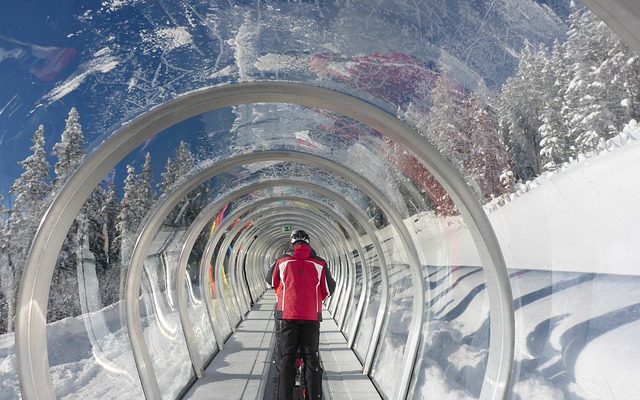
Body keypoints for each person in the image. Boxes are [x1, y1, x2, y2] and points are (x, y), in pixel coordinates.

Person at [266, 229, 336, 400]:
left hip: (287, 315)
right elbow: (329, 288)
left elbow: (270, 281)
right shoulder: (320, 264)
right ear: (308, 244)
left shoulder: (282, 261)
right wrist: (314, 299)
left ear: (291, 243)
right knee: (311, 358)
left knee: (287, 359)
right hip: (311, 317)